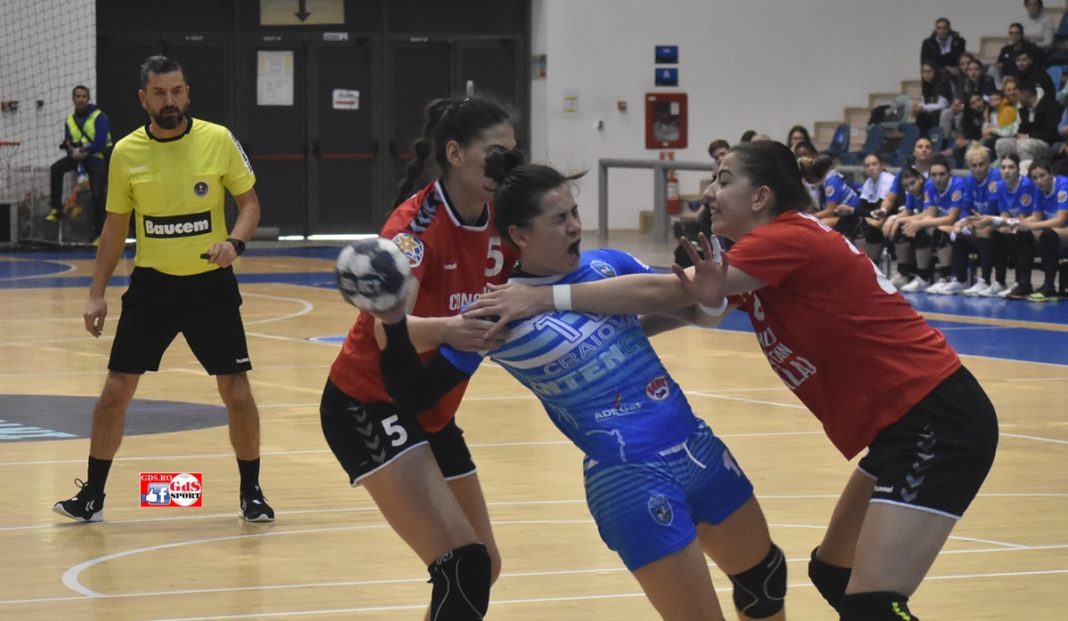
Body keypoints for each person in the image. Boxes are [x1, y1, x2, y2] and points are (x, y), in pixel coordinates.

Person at [467, 141, 998, 621]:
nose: (710, 193)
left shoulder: (785, 237)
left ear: (761, 197)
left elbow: (669, 293)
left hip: (937, 420)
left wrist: (544, 297)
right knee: (834, 573)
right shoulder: (762, 255)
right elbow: (699, 307)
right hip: (903, 427)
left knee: (872, 605)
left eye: (723, 180)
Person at [371, 152, 787, 621]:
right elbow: (418, 395)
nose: (574, 226)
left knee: (765, 578)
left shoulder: (608, 265)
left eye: (574, 212)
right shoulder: (498, 312)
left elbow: (693, 309)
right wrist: (396, 322)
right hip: (630, 479)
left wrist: (710, 302)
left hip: (696, 445)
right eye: (558, 219)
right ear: (520, 236)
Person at [319, 96, 519, 620]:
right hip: (366, 403)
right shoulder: (414, 230)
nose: (505, 166)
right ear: (455, 154)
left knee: (483, 564)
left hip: (430, 408)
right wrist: (454, 329)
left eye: (512, 153)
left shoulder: (505, 220)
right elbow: (388, 334)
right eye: (494, 153)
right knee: (463, 563)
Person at [52, 56, 273, 523]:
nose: (169, 100)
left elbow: (249, 204)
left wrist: (235, 243)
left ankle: (251, 493)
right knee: (116, 391)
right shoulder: (126, 152)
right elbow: (115, 228)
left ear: (187, 93)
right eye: (159, 93)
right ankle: (92, 494)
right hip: (152, 287)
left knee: (236, 390)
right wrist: (96, 293)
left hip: (210, 286)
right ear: (143, 98)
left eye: (176, 91)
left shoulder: (218, 139)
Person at [46, 85, 112, 240]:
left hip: (95, 158)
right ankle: (56, 208)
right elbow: (69, 141)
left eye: (83, 96)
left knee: (97, 194)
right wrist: (71, 151)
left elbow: (101, 142)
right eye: (78, 96)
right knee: (56, 168)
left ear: (88, 98)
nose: (81, 99)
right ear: (73, 99)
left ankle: (100, 235)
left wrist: (84, 151)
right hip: (77, 156)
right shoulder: (70, 120)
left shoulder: (99, 116)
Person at [967, 153, 1037, 297]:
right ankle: (999, 282)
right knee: (998, 233)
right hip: (1014, 223)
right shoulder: (1000, 186)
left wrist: (994, 220)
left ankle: (1021, 282)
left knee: (1017, 234)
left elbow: (1023, 219)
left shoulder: (1026, 185)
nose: (1006, 171)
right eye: (1003, 167)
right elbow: (1005, 216)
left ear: (1018, 169)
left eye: (1011, 167)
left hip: (1031, 225)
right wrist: (1001, 224)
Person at [900, 155, 970, 293]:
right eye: (934, 175)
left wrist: (920, 223)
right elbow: (930, 214)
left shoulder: (957, 185)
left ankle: (946, 277)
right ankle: (923, 278)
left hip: (961, 224)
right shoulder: (930, 185)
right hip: (943, 223)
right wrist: (917, 224)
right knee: (920, 230)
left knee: (938, 231)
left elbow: (951, 218)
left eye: (942, 174)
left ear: (949, 173)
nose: (938, 179)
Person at [1011, 157, 1068, 300]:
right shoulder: (1039, 189)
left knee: (1048, 235)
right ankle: (1024, 284)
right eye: (1035, 178)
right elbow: (1037, 216)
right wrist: (1019, 223)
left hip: (1064, 227)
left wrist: (1031, 225)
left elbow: (1061, 220)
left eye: (1043, 176)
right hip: (1058, 230)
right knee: (1023, 233)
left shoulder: (1063, 186)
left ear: (1051, 174)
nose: (1039, 181)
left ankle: (1049, 287)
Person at [950, 145, 1003, 295]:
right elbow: (965, 208)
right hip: (979, 222)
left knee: (983, 231)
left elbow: (993, 208)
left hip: (998, 221)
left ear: (988, 163)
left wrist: (974, 222)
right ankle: (960, 279)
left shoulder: (996, 178)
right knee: (958, 232)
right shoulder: (969, 181)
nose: (978, 169)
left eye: (981, 164)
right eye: (974, 166)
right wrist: (963, 222)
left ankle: (985, 280)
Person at [996, 78, 1064, 163]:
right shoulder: (1023, 109)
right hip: (1027, 140)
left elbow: (1053, 133)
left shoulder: (1050, 105)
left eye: (1018, 95)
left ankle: (1027, 170)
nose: (1017, 99)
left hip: (1047, 143)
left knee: (1025, 145)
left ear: (1025, 94)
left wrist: (1029, 136)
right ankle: (1007, 168)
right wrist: (1018, 135)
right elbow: (1022, 130)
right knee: (1002, 143)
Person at [913, 62, 952, 137]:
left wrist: (923, 107)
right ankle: (923, 139)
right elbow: (924, 102)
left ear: (935, 72)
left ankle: (936, 139)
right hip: (930, 113)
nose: (927, 74)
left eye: (929, 71)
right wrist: (918, 107)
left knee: (934, 114)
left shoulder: (942, 83)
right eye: (924, 72)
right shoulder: (926, 85)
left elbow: (942, 105)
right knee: (920, 115)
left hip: (941, 112)